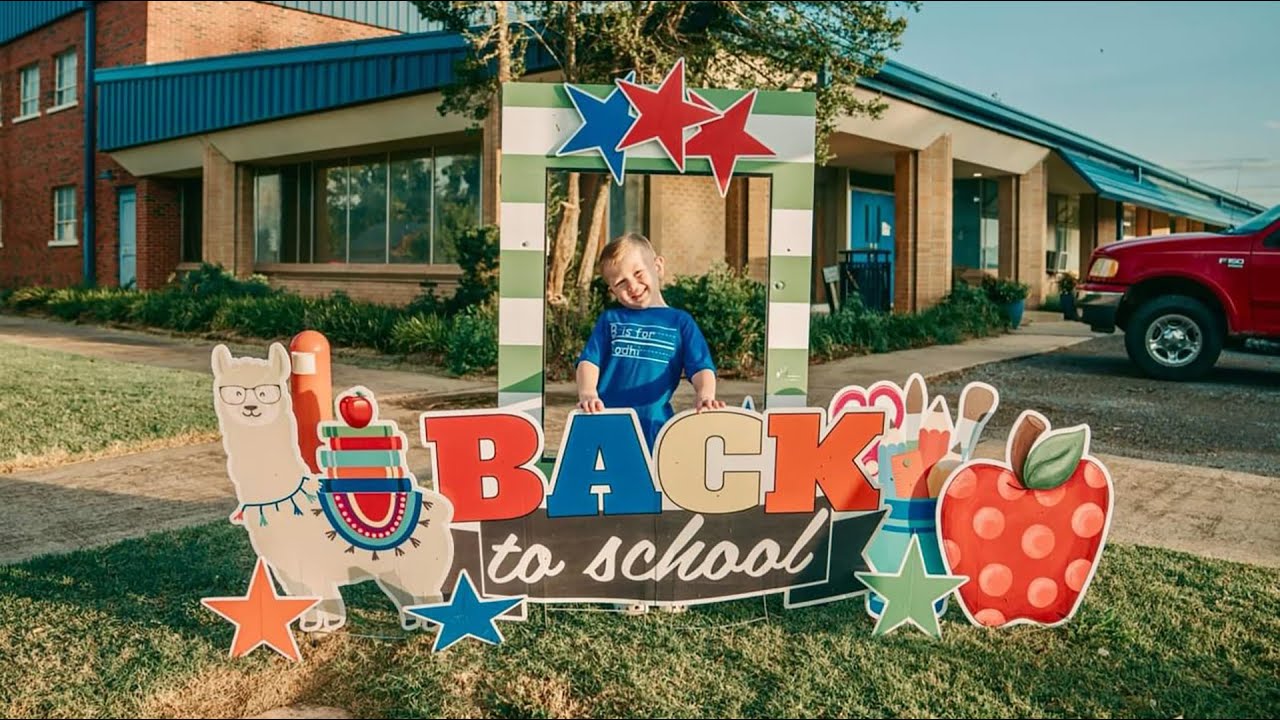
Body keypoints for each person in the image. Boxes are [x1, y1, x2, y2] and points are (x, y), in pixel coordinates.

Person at [574, 232, 727, 615]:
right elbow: (587, 362)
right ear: (612, 290)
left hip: (660, 427)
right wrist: (588, 392)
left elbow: (702, 368)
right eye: (620, 283)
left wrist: (704, 394)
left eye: (638, 273)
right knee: (621, 509)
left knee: (663, 507)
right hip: (611, 429)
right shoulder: (611, 321)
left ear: (657, 267)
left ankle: (669, 580)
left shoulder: (679, 322)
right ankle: (625, 584)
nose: (632, 287)